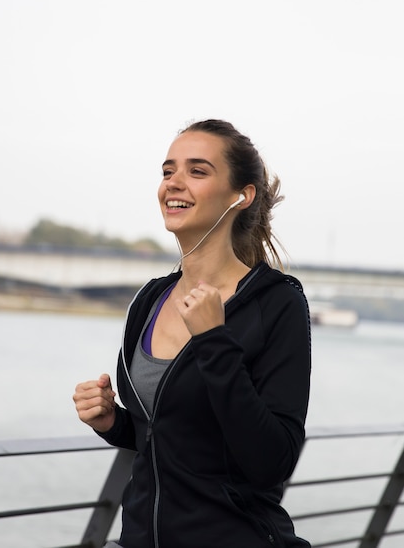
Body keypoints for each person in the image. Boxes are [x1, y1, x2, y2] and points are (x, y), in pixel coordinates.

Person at [73, 119, 311, 548]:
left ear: (242, 196)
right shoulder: (150, 300)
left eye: (197, 171)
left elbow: (272, 461)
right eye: (168, 172)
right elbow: (170, 434)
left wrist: (213, 341)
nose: (173, 183)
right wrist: (113, 423)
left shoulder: (276, 304)